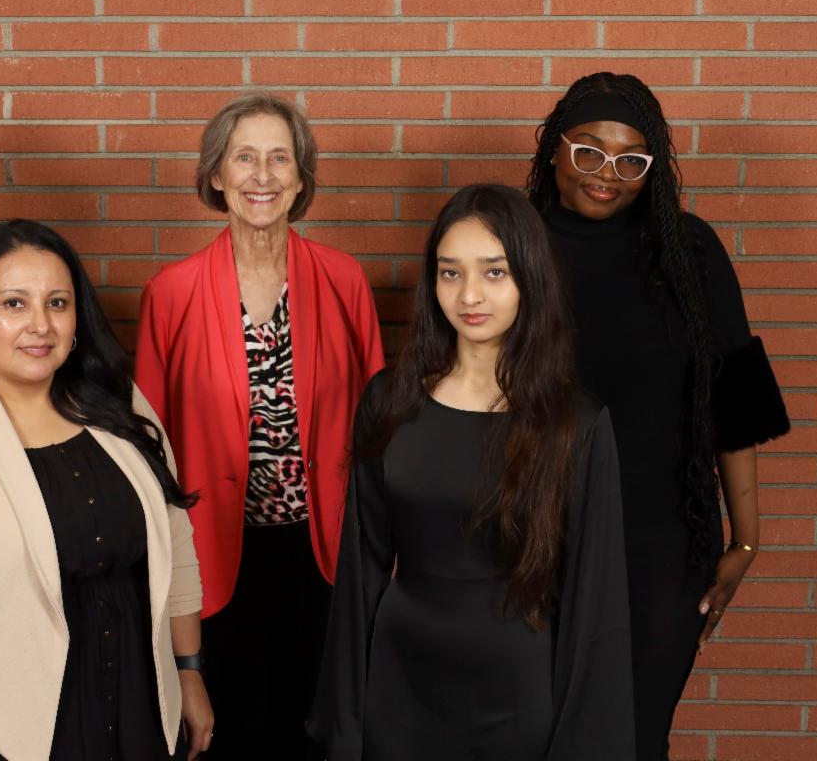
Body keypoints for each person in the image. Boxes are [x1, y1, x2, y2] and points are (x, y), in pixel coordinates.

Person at [308, 184, 635, 761]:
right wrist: (344, 725)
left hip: (518, 693)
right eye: (450, 273)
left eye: (494, 272)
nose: (469, 295)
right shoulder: (389, 402)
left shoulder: (574, 423)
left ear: (529, 278)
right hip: (399, 685)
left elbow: (596, 606)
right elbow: (360, 575)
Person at [0, 220, 212, 761]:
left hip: (138, 706)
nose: (40, 325)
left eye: (57, 303)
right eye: (14, 304)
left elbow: (176, 541)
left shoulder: (120, 403)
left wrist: (188, 671)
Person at [526, 72, 790, 761]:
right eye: (589, 151)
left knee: (634, 740)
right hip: (531, 543)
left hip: (661, 549)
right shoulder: (510, 246)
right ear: (554, 150)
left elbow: (735, 402)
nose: (606, 174)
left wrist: (747, 542)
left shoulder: (688, 252)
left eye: (631, 160)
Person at [134, 91, 384, 759]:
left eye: (280, 158)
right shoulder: (171, 294)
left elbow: (378, 427)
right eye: (244, 158)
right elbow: (147, 449)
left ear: (301, 179)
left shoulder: (344, 280)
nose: (263, 175)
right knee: (228, 732)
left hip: (324, 552)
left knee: (320, 730)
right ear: (217, 175)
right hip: (213, 553)